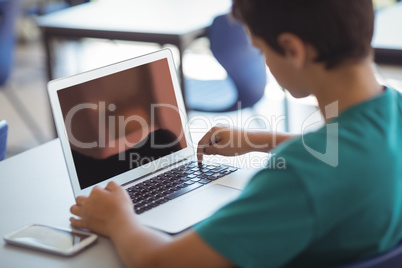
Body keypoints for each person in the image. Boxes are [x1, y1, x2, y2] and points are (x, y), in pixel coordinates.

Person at [69, 0, 402, 267]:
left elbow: (161, 261)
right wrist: (260, 140)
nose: (265, 61)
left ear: (293, 49)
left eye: (261, 50)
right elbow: (350, 156)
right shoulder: (393, 109)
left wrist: (118, 220)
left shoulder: (298, 180)